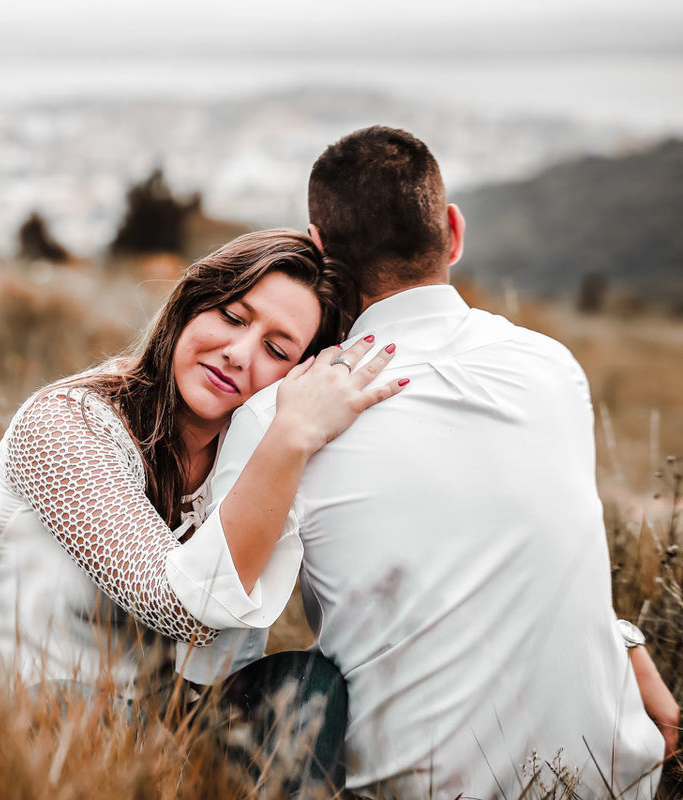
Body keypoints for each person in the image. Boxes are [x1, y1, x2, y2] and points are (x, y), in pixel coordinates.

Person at [195, 126, 679, 797]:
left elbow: (220, 650)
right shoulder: (553, 371)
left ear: (318, 250)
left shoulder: (280, 417)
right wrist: (622, 637)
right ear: (452, 232)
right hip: (616, 782)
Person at [0, 229, 406, 790]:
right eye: (233, 317)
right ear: (190, 304)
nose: (238, 353)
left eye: (277, 350)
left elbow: (213, 677)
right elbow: (177, 605)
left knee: (307, 684)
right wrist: (291, 436)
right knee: (81, 701)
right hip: (3, 728)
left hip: (154, 741)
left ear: (300, 378)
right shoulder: (66, 425)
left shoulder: (260, 468)